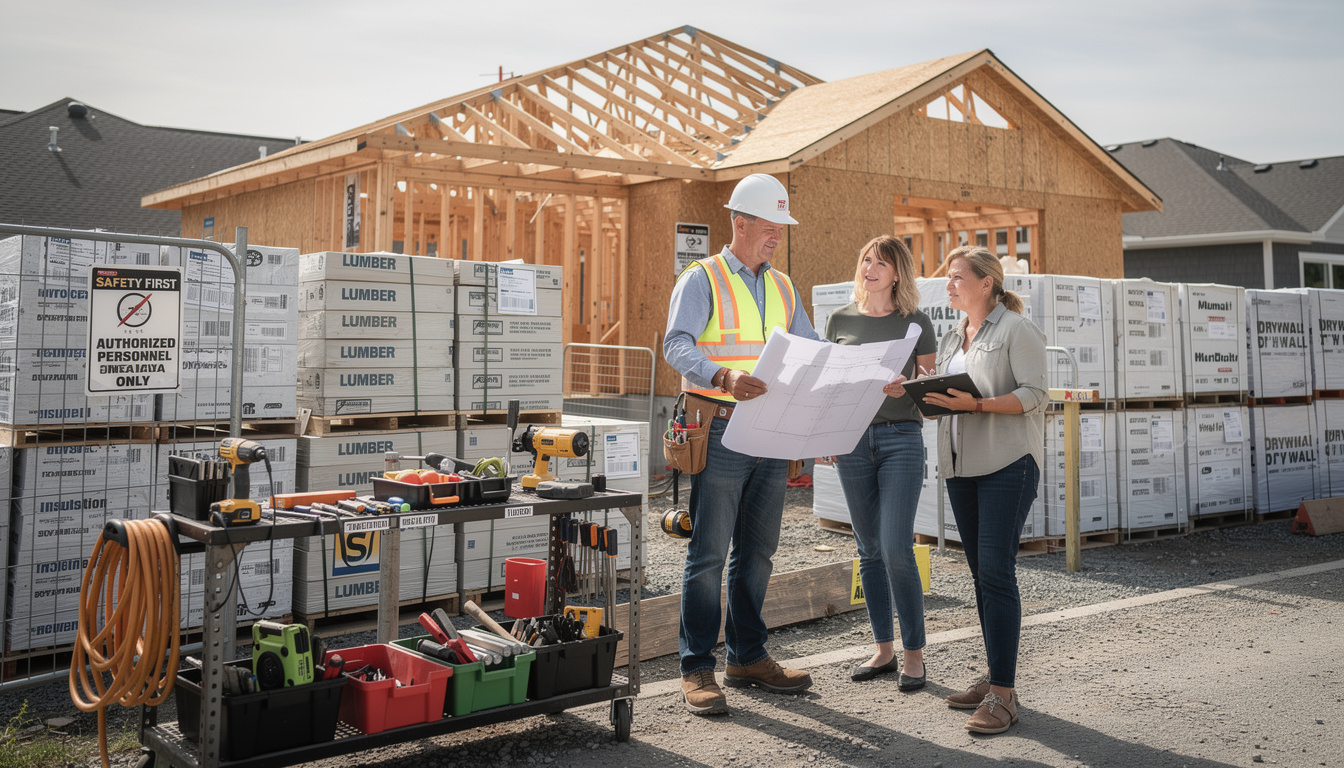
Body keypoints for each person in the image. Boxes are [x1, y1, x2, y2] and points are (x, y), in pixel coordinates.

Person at [662, 173, 819, 715]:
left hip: (772, 429)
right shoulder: (701, 277)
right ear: (741, 222)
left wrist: (858, 370)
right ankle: (696, 667)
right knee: (708, 553)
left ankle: (747, 655)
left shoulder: (784, 286)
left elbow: (810, 347)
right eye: (770, 225)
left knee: (758, 551)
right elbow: (675, 344)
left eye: (782, 227)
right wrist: (722, 376)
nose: (777, 235)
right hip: (721, 426)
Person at [921, 245, 1047, 735]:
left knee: (995, 573)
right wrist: (917, 391)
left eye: (956, 277)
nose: (948, 284)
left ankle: (1004, 696)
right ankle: (996, 676)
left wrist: (976, 406)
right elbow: (953, 393)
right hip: (961, 467)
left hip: (1007, 465)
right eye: (948, 278)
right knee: (981, 575)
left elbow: (1037, 395)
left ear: (987, 283)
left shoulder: (1017, 330)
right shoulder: (956, 337)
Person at [822, 236, 935, 688]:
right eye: (866, 259)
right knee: (868, 550)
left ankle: (914, 655)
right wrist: (827, 432)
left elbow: (930, 386)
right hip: (851, 443)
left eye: (881, 263)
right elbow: (828, 383)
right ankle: (883, 650)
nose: (870, 268)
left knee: (895, 547)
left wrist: (905, 384)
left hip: (900, 439)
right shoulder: (839, 319)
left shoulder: (916, 322)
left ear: (897, 274)